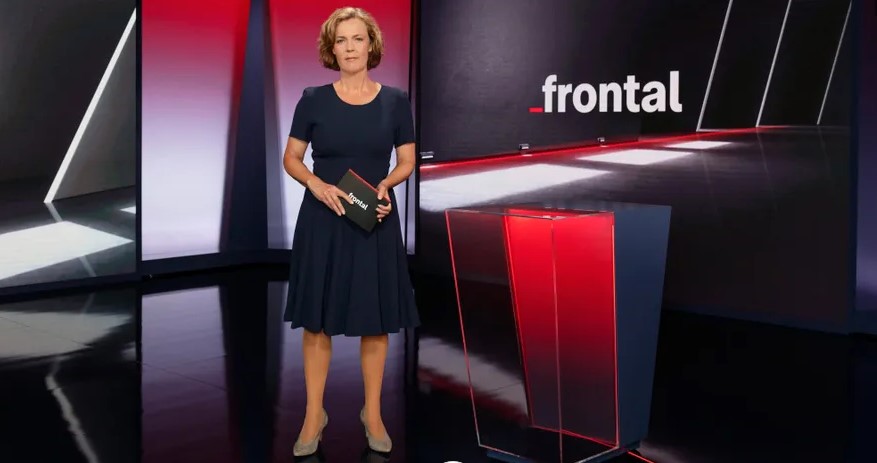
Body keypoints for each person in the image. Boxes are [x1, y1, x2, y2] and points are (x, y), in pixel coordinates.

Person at [281, 6, 420, 457]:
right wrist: (316, 185)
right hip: (323, 218)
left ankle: (372, 413)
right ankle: (313, 415)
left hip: (372, 218)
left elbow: (406, 161)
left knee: (374, 321)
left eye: (358, 38)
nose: (350, 47)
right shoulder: (312, 99)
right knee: (317, 321)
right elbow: (292, 158)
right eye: (341, 40)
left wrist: (387, 185)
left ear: (371, 45)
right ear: (331, 49)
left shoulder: (395, 101)